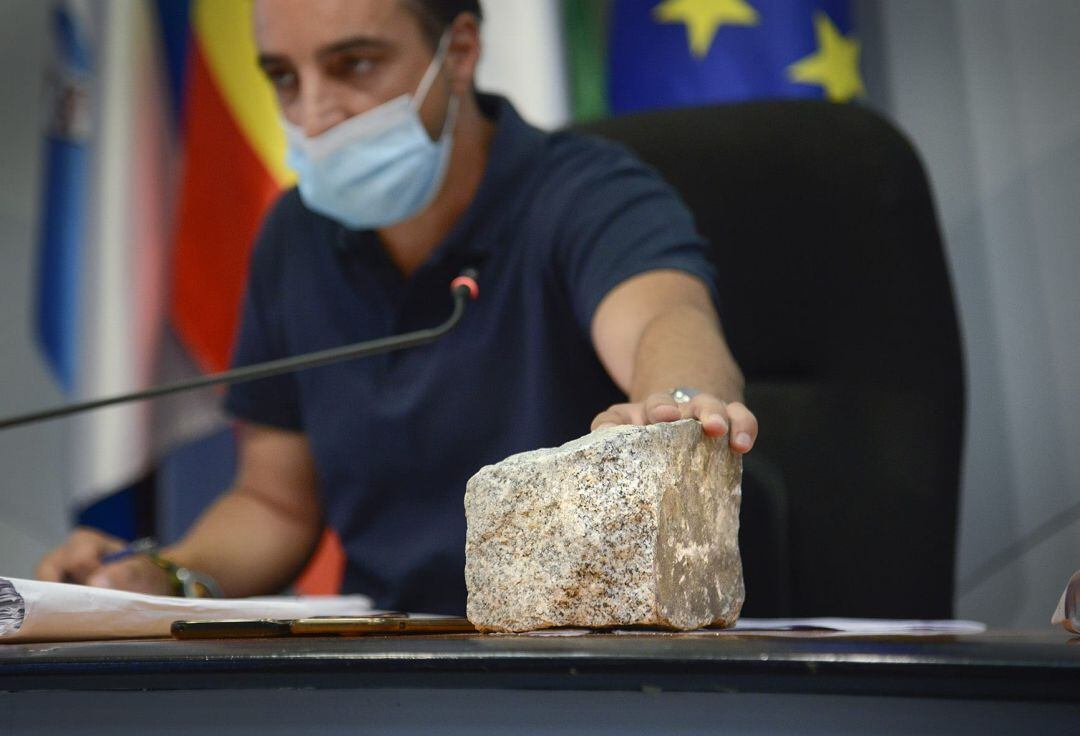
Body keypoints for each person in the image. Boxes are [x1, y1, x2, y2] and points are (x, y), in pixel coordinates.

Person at [36, 0, 758, 615]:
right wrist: (160, 576)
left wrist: (675, 404)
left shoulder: (586, 191)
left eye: (353, 65)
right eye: (284, 78)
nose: (313, 112)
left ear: (462, 51)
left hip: (577, 653)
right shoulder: (293, 235)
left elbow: (668, 320)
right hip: (390, 658)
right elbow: (275, 503)